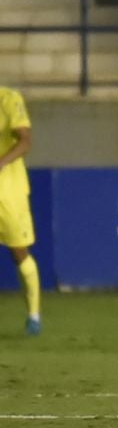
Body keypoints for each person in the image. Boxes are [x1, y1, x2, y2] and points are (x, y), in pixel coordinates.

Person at [0, 84, 41, 335]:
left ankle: (34, 316)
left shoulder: (8, 99)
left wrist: (2, 162)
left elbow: (25, 140)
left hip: (8, 189)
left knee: (19, 251)